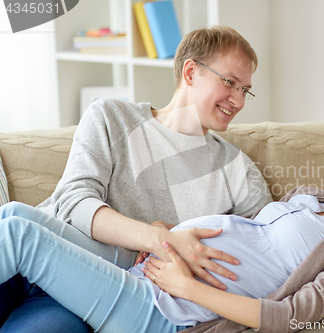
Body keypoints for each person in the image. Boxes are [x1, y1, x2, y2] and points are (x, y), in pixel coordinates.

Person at [0, 125, 324, 333]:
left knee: (20, 237)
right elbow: (246, 234)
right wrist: (165, 236)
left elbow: (294, 315)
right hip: (146, 264)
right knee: (15, 215)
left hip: (163, 308)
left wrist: (186, 286)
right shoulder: (314, 200)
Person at [0, 25, 272, 332]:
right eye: (230, 82)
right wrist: (156, 237)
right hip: (23, 250)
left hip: (77, 295)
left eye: (245, 90)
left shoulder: (237, 170)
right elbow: (73, 204)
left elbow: (264, 251)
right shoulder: (112, 116)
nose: (239, 101)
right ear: (191, 72)